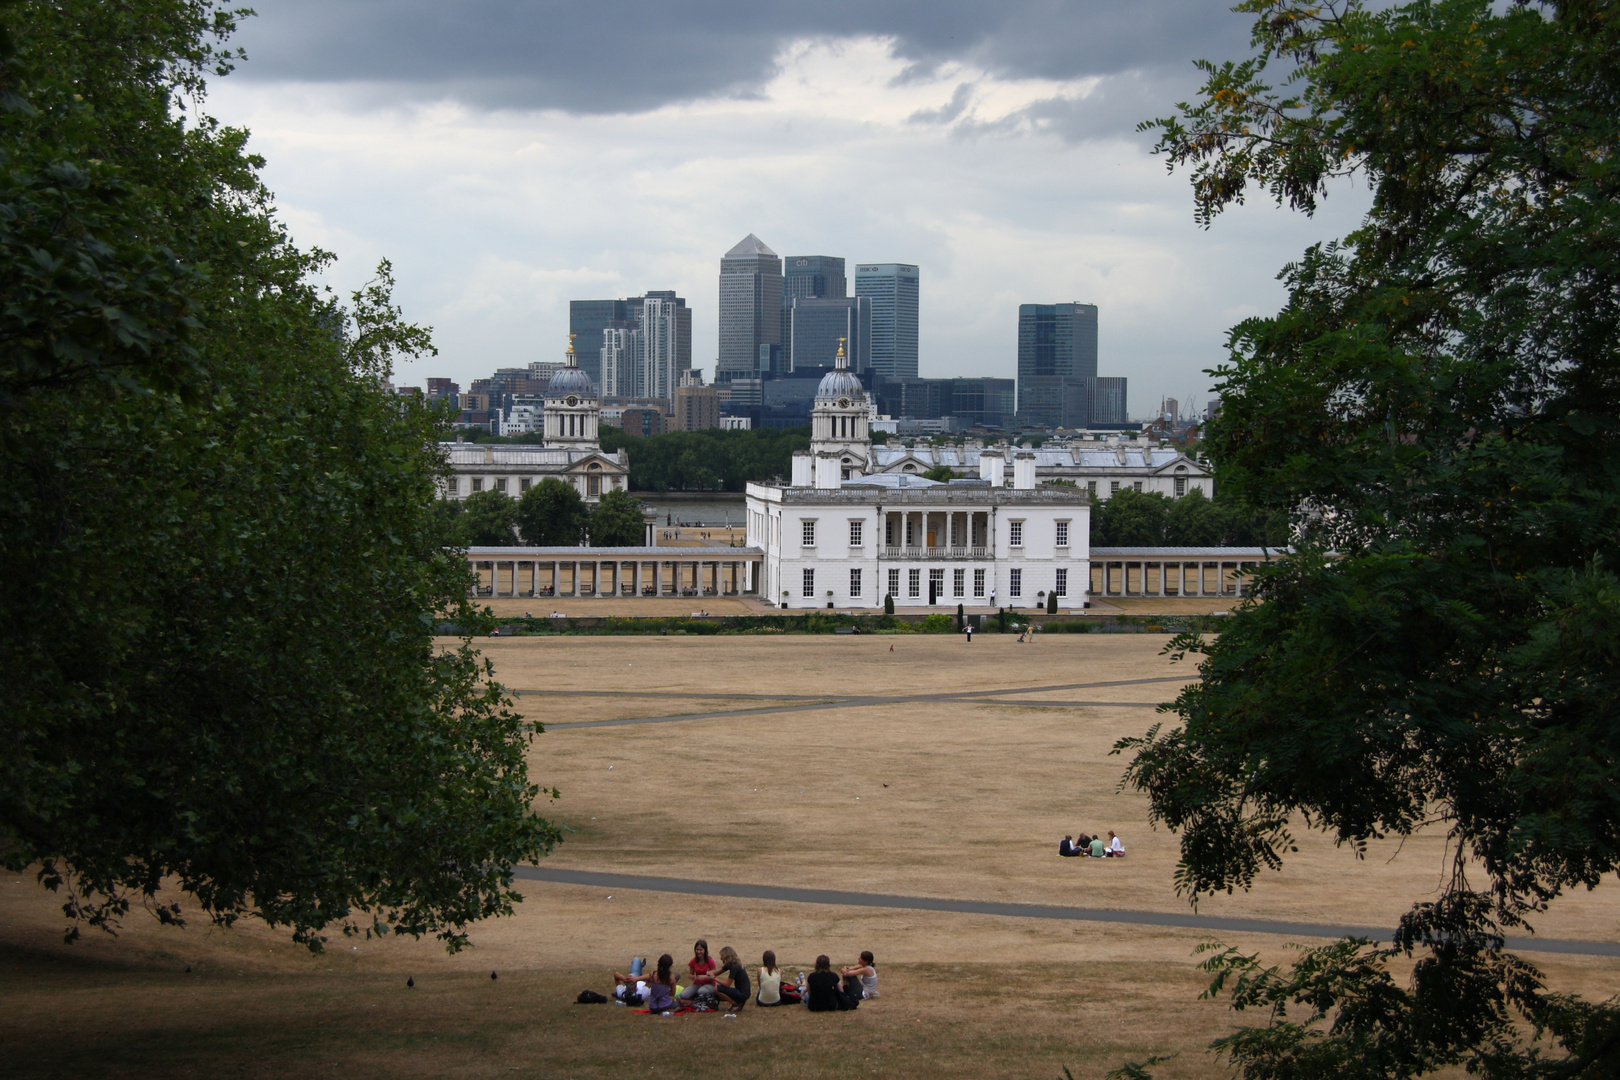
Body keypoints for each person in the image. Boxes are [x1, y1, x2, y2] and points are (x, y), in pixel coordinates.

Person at [614, 954, 678, 1013]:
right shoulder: (671, 978)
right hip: (664, 1005)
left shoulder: (653, 974)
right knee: (678, 1004)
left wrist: (632, 979)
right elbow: (672, 993)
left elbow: (649, 977)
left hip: (653, 1007)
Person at [712, 946, 751, 1014]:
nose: (721, 958)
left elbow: (727, 984)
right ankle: (739, 1002)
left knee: (716, 989)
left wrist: (714, 978)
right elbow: (716, 972)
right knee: (714, 993)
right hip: (742, 992)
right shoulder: (730, 965)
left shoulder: (734, 967)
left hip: (743, 994)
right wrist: (707, 973)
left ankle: (735, 1004)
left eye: (722, 956)